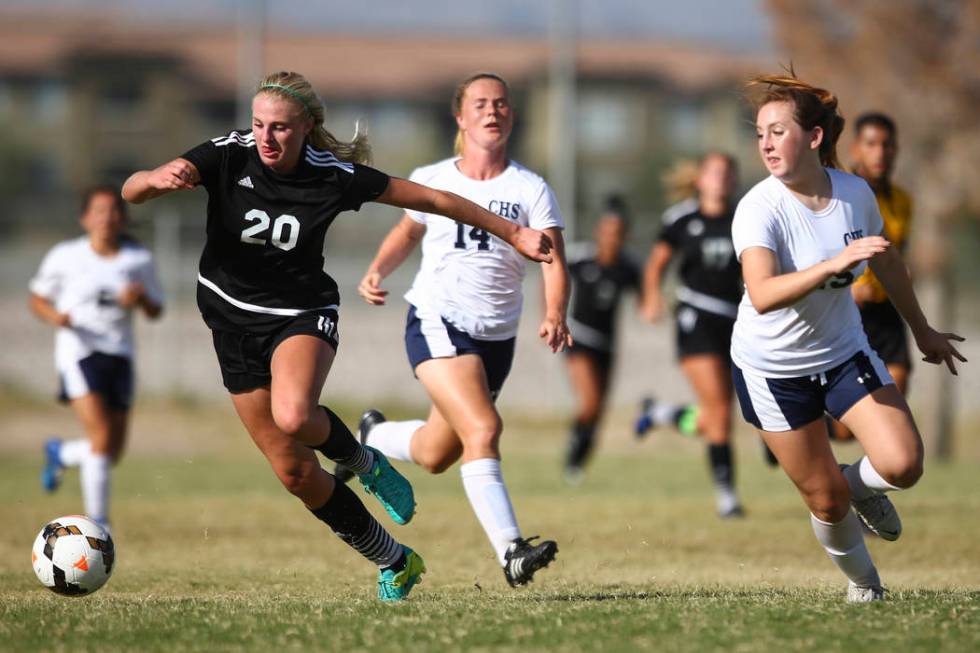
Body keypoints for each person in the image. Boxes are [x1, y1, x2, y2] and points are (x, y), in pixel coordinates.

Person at [120, 71, 555, 602]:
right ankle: (394, 559)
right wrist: (156, 176)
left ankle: (365, 462)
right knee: (295, 472)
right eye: (259, 124)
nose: (266, 137)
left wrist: (514, 232)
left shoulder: (334, 174)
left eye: (280, 127)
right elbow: (132, 191)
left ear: (306, 127)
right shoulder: (227, 154)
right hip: (231, 323)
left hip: (302, 314)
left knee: (295, 414)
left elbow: (436, 200)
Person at [731, 72, 965, 602]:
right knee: (825, 502)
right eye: (760, 133)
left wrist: (921, 328)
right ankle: (866, 587)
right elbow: (763, 294)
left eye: (778, 131)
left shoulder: (855, 193)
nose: (766, 144)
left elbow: (887, 262)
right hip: (772, 370)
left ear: (814, 138)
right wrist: (833, 262)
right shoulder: (759, 208)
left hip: (843, 352)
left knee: (904, 465)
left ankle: (854, 484)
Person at [344, 72, 571, 588]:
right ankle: (511, 549)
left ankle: (369, 437)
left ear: (512, 115)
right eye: (481, 104)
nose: (492, 111)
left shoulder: (530, 188)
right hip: (438, 319)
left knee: (436, 453)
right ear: (461, 117)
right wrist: (378, 270)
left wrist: (555, 311)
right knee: (484, 430)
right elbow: (406, 231)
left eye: (501, 104)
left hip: (497, 339)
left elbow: (554, 259)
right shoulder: (435, 177)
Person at [31, 185, 165, 532]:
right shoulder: (66, 255)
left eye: (113, 211)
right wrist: (55, 317)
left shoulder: (137, 260)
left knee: (111, 451)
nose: (107, 218)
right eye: (99, 211)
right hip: (79, 351)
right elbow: (38, 298)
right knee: (102, 439)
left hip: (120, 354)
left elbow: (155, 309)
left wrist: (139, 300)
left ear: (123, 217)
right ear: (85, 218)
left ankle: (62, 454)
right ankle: (98, 525)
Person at [634, 153, 746, 518]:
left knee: (717, 416)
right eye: (713, 172)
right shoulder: (682, 218)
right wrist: (650, 297)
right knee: (720, 414)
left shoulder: (744, 218)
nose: (720, 179)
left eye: (727, 173)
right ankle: (727, 497)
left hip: (736, 321)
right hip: (695, 317)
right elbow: (656, 264)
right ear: (700, 179)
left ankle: (662, 414)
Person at [829, 113, 913, 441]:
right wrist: (851, 286)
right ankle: (806, 431)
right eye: (872, 144)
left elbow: (893, 254)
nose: (880, 152)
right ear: (855, 148)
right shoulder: (841, 193)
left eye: (887, 145)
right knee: (845, 431)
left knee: (895, 401)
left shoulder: (903, 201)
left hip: (886, 312)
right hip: (848, 313)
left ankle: (880, 475)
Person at [562, 195, 640, 482]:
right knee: (590, 402)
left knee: (598, 412)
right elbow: (552, 274)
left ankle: (577, 461)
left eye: (618, 233)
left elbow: (646, 297)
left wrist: (653, 306)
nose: (612, 237)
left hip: (608, 345)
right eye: (607, 231)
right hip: (579, 338)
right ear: (598, 231)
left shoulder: (627, 268)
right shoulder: (581, 258)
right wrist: (550, 314)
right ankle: (573, 458)